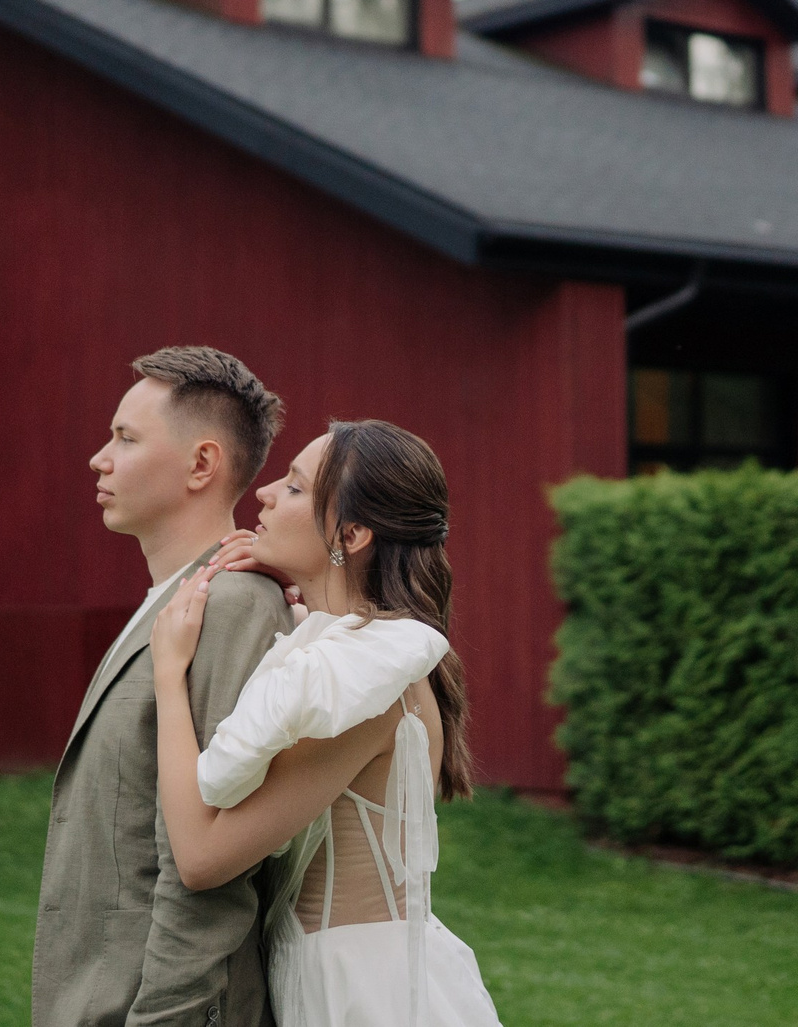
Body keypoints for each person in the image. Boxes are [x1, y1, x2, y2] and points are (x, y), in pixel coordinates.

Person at [148, 420, 505, 1027]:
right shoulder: (355, 656)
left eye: (292, 487)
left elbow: (202, 857)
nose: (261, 495)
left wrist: (168, 674)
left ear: (353, 533)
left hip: (362, 993)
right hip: (352, 971)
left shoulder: (363, 686)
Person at [35, 347, 295, 1027]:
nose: (100, 457)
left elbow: (209, 862)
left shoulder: (233, 605)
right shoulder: (170, 602)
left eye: (125, 437)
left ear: (201, 464)